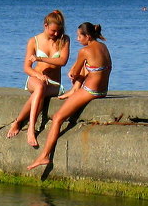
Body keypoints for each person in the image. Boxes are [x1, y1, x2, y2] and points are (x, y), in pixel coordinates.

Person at [28, 22, 111, 170]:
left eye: (80, 36)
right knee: (88, 67)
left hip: (91, 91)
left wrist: (72, 73)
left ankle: (44, 155)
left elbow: (74, 73)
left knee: (58, 118)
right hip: (103, 90)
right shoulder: (103, 47)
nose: (77, 39)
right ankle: (74, 90)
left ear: (88, 36)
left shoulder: (84, 51)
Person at [6, 10, 70, 148]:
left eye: (58, 31)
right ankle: (31, 129)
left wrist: (40, 58)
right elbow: (27, 68)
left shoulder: (64, 40)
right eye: (53, 31)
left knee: (40, 92)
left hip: (54, 84)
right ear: (45, 25)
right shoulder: (33, 41)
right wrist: (38, 75)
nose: (56, 34)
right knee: (40, 87)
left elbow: (63, 61)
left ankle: (18, 121)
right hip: (36, 79)